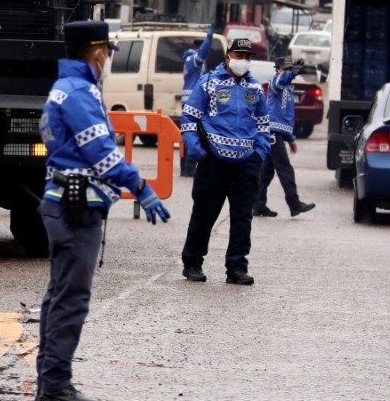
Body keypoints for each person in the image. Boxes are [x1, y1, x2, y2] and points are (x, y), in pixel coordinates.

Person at [35, 20, 170, 401]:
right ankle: (55, 386)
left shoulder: (68, 88)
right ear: (97, 54)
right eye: (107, 53)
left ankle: (50, 382)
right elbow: (102, 153)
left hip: (67, 203)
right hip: (76, 208)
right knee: (71, 299)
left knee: (60, 295)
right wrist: (140, 185)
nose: (107, 59)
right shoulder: (79, 93)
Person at [179, 36, 270, 286]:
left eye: (247, 57)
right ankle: (193, 262)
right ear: (228, 56)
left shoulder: (255, 89)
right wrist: (199, 152)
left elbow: (263, 125)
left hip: (246, 163)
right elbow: (189, 119)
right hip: (213, 161)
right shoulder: (207, 83)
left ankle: (237, 267)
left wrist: (258, 155)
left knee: (242, 217)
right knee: (205, 213)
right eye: (238, 56)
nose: (243, 61)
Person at [253, 56, 317, 218]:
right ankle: (294, 204)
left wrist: (291, 138)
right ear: (277, 70)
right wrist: (293, 72)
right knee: (285, 168)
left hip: (278, 133)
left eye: (290, 69)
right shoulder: (276, 83)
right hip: (272, 132)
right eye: (285, 69)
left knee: (266, 171)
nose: (288, 72)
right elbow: (282, 80)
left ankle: (257, 204)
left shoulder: (288, 89)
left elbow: (288, 116)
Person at [178, 23, 215, 177]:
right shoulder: (194, 58)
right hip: (192, 102)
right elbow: (204, 52)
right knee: (193, 135)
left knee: (189, 134)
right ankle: (189, 167)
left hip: (190, 101)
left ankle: (186, 167)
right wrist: (209, 36)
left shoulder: (190, 59)